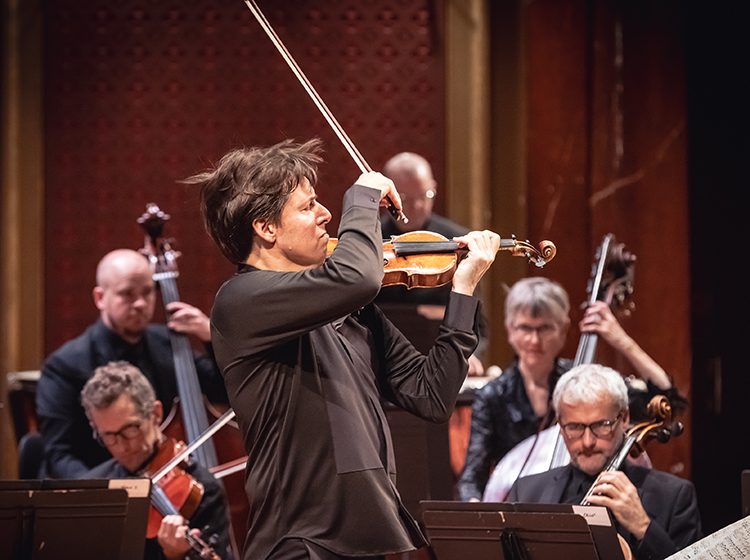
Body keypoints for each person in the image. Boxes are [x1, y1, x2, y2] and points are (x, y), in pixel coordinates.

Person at [185, 137, 501, 560]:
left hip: (365, 535)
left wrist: (462, 292)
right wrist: (363, 195)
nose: (325, 214)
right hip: (300, 541)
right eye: (307, 206)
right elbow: (358, 277)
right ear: (265, 228)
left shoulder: (349, 307)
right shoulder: (241, 301)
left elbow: (432, 396)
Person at [457, 276, 685, 502]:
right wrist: (477, 511)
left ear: (564, 328)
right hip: (520, 508)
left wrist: (620, 339)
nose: (534, 340)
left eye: (545, 328)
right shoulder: (493, 395)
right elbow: (471, 477)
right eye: (525, 328)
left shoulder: (586, 383)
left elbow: (668, 403)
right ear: (509, 329)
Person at [36, 248, 228, 478]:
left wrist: (211, 337)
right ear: (100, 298)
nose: (139, 303)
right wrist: (104, 493)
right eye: (127, 294)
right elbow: (59, 455)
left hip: (173, 484)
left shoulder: (168, 345)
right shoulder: (65, 366)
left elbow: (225, 391)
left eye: (147, 292)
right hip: (104, 491)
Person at [506, 363, 701, 560]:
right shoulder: (527, 492)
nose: (588, 442)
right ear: (560, 424)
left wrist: (643, 526)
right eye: (574, 427)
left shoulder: (674, 496)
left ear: (624, 418)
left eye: (601, 425)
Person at [81, 361, 234, 560]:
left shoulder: (203, 489)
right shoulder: (94, 487)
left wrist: (175, 555)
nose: (122, 446)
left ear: (156, 413)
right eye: (108, 436)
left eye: (130, 429)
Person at [376, 151, 486, 375]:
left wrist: (471, 353)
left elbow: (477, 322)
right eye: (405, 199)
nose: (417, 205)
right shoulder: (370, 239)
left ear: (434, 187)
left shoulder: (457, 241)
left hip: (439, 361)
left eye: (425, 194)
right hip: (378, 360)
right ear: (389, 197)